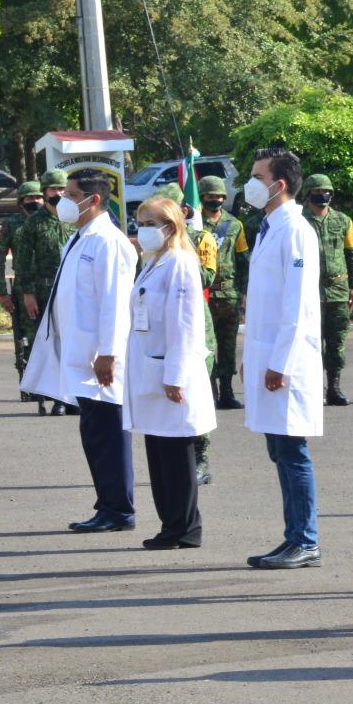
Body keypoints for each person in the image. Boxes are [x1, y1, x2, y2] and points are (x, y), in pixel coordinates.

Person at [21, 168, 138, 533]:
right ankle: (107, 505)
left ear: (94, 200)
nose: (62, 201)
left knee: (107, 434)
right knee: (94, 433)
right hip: (82, 354)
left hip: (100, 358)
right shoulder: (81, 237)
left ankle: (119, 510)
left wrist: (108, 353)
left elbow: (115, 303)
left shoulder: (108, 241)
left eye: (71, 195)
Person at [241, 146, 325, 570]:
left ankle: (306, 540)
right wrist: (252, 356)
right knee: (279, 448)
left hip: (286, 361)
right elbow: (261, 305)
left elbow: (297, 305)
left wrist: (281, 362)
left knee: (292, 450)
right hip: (267, 354)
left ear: (280, 184)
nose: (250, 183)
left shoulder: (296, 230)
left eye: (257, 176)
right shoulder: (269, 227)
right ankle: (294, 536)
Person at [124, 196, 217, 550]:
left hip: (170, 372)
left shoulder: (180, 263)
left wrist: (176, 375)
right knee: (159, 451)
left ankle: (184, 528)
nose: (142, 230)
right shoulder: (153, 262)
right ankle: (170, 525)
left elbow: (186, 324)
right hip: (152, 368)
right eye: (140, 223)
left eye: (150, 223)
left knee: (176, 454)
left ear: (171, 226)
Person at [155, 182, 220, 485]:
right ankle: (178, 460)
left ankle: (201, 460)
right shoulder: (154, 245)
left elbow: (207, 275)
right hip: (162, 330)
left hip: (197, 328)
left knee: (195, 395)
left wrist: (185, 246)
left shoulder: (201, 238)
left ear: (182, 211)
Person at [15, 169, 76, 417]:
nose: (58, 194)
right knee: (53, 346)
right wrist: (27, 293)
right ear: (44, 192)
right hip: (44, 290)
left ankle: (73, 397)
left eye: (62, 189)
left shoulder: (74, 219)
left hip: (72, 290)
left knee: (73, 344)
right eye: (53, 190)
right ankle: (58, 398)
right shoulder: (34, 224)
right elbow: (23, 262)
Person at [302, 173, 353, 407]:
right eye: (317, 192)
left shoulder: (343, 221)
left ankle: (334, 387)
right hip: (310, 292)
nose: (323, 195)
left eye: (327, 191)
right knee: (311, 342)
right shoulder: (299, 221)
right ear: (308, 194)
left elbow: (352, 254)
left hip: (338, 290)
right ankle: (313, 389)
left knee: (336, 342)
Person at [199, 175, 249, 410]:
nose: (215, 200)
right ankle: (210, 391)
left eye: (219, 196)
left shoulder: (235, 225)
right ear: (201, 197)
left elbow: (242, 260)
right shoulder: (194, 226)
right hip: (204, 295)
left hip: (228, 294)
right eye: (210, 196)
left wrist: (245, 291)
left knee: (227, 346)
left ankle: (227, 392)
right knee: (206, 345)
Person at [0, 181, 43, 399]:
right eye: (30, 198)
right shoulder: (12, 224)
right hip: (24, 289)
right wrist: (2, 292)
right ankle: (30, 384)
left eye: (38, 197)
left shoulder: (53, 220)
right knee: (29, 339)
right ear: (21, 201)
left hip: (50, 284)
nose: (35, 202)